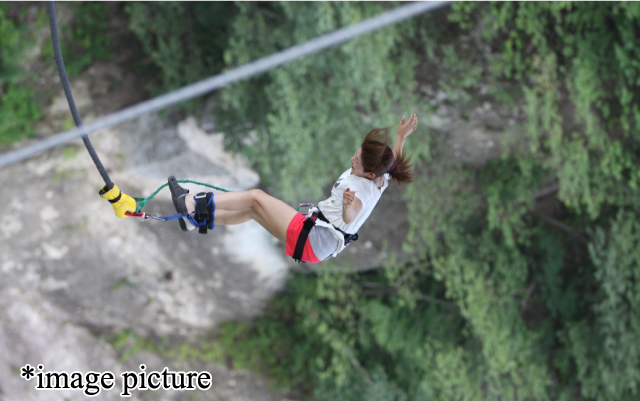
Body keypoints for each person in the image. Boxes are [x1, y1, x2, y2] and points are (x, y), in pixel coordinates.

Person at [168, 114, 418, 263]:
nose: (352, 160)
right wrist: (401, 137)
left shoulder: (360, 192)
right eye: (356, 154)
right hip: (318, 245)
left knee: (256, 197)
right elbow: (392, 159)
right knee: (253, 211)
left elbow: (352, 214)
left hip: (314, 239)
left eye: (357, 161)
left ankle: (191, 204)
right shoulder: (380, 179)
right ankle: (195, 220)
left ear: (370, 174)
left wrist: (346, 207)